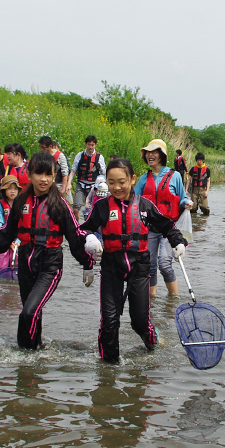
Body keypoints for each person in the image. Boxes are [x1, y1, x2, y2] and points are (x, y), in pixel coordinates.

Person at [80, 158, 188, 364]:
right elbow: (84, 228)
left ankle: (153, 342)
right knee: (110, 322)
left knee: (139, 322)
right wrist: (89, 238)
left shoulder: (145, 206)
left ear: (132, 179)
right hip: (111, 266)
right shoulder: (101, 207)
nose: (117, 187)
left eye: (121, 181)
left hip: (139, 266)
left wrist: (178, 242)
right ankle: (108, 367)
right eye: (111, 183)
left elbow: (167, 226)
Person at [0, 152, 94, 350]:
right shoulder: (20, 202)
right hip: (26, 262)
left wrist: (87, 263)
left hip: (50, 266)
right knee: (33, 312)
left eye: (48, 175)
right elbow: (7, 231)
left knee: (28, 312)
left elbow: (75, 236)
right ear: (29, 174)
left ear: (54, 176)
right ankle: (35, 351)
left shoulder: (59, 204)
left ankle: (23, 354)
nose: (43, 179)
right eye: (38, 174)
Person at [134, 139, 192, 297]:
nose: (150, 155)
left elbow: (181, 197)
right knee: (150, 265)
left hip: (168, 227)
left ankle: (173, 298)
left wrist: (187, 202)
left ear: (162, 155)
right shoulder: (143, 179)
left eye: (154, 152)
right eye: (148, 152)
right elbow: (132, 199)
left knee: (165, 264)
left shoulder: (175, 176)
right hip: (150, 228)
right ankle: (151, 300)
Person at [70, 135, 106, 215]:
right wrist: (69, 183)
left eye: (92, 145)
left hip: (94, 186)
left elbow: (104, 172)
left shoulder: (99, 157)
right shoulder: (80, 155)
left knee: (93, 209)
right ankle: (76, 226)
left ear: (95, 145)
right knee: (76, 208)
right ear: (86, 144)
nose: (90, 147)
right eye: (89, 144)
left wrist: (107, 186)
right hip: (81, 184)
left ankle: (91, 226)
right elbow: (73, 170)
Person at [0, 175, 22, 271]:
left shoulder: (22, 205)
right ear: (4, 191)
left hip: (19, 239)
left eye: (15, 189)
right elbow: (0, 224)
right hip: (5, 237)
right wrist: (8, 241)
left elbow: (24, 224)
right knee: (3, 264)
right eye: (9, 189)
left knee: (19, 261)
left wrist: (17, 241)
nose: (13, 191)